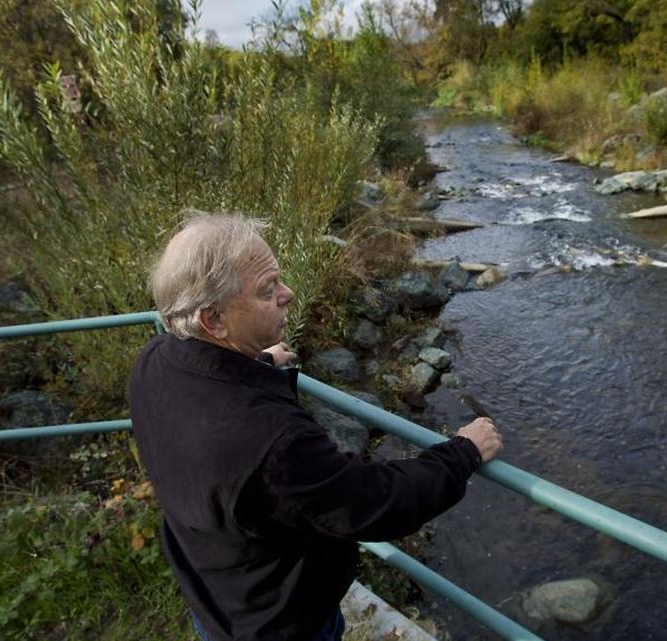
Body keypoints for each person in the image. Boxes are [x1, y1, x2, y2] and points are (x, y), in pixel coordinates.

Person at [129, 213, 503, 641]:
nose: (287, 294)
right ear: (213, 320)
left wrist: (260, 366)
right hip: (279, 624)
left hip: (212, 592)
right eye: (268, 291)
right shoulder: (272, 442)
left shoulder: (154, 361)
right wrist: (462, 453)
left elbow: (214, 412)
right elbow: (375, 502)